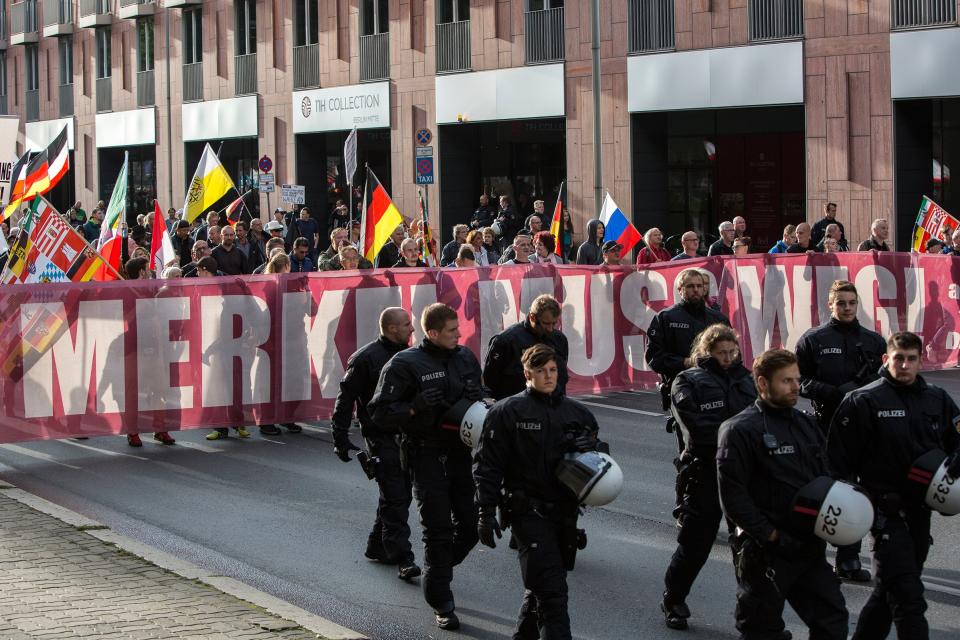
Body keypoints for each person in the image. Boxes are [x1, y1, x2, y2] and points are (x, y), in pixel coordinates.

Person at [829, 331, 960, 640]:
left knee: (889, 593)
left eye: (911, 359)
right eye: (898, 358)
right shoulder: (863, 400)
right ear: (886, 359)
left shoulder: (936, 398)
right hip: (884, 513)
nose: (904, 365)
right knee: (909, 599)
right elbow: (837, 463)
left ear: (920, 361)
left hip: (920, 511)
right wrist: (856, 512)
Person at [474, 343, 605, 640]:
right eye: (541, 371)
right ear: (526, 373)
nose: (548, 376)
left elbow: (600, 461)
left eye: (553, 370)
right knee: (553, 594)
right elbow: (487, 465)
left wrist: (591, 447)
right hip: (526, 513)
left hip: (564, 512)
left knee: (540, 587)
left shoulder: (578, 413)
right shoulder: (506, 412)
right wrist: (484, 511)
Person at [718, 349, 849, 640]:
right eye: (786, 381)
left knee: (832, 619)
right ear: (762, 384)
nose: (795, 388)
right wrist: (772, 536)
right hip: (766, 552)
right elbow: (733, 498)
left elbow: (825, 476)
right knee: (760, 629)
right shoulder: (738, 430)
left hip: (808, 546)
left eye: (797, 380)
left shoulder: (805, 423)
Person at [369, 303, 485, 630]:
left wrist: (478, 396)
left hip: (461, 454)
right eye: (451, 331)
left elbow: (483, 396)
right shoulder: (404, 364)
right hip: (425, 455)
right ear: (432, 333)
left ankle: (438, 570)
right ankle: (441, 601)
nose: (459, 335)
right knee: (438, 530)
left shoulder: (464, 357)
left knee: (473, 524)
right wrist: (413, 409)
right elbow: (380, 414)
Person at [662, 324, 756, 630]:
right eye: (721, 352)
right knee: (695, 545)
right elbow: (698, 429)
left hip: (744, 475)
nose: (728, 357)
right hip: (706, 472)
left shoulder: (748, 380)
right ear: (707, 352)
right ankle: (673, 598)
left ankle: (753, 615)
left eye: (733, 352)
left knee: (749, 547)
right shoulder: (687, 381)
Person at [795, 280, 885, 582]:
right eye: (841, 303)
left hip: (865, 427)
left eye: (851, 303)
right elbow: (799, 381)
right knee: (827, 492)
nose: (847, 308)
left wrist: (860, 390)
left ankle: (848, 559)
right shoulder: (814, 339)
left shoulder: (873, 341)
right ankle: (816, 560)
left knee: (860, 493)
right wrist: (832, 392)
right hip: (826, 425)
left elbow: (884, 381)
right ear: (830, 305)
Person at [332, 307, 420, 580]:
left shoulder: (411, 356)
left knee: (400, 493)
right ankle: (402, 557)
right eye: (407, 324)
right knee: (396, 495)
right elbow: (345, 400)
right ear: (393, 329)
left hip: (408, 435)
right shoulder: (365, 359)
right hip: (381, 436)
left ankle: (377, 544)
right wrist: (341, 440)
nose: (412, 329)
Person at [646, 269, 730, 452]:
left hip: (718, 392)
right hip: (684, 392)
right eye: (690, 286)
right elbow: (654, 358)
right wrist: (685, 362)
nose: (696, 290)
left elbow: (734, 356)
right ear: (680, 289)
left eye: (700, 286)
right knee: (691, 450)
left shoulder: (718, 319)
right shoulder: (665, 318)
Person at [483, 294, 569, 400]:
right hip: (516, 409)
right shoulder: (506, 341)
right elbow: (489, 382)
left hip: (552, 407)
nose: (550, 329)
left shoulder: (559, 339)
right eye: (546, 323)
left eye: (554, 323)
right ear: (532, 317)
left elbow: (562, 377)